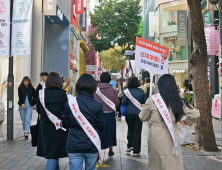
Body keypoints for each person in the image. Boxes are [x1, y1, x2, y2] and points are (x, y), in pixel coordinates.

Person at [139, 74, 200, 170]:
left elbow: (143, 117)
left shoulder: (153, 100)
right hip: (173, 133)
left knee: (157, 163)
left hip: (156, 134)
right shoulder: (178, 100)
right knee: (172, 162)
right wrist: (185, 122)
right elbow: (196, 114)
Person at [62, 73, 106, 170]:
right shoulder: (97, 105)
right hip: (91, 143)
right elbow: (102, 125)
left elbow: (65, 123)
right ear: (93, 87)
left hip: (74, 144)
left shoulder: (70, 103)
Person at [36, 72, 68, 170]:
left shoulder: (41, 93)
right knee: (53, 153)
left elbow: (38, 110)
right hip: (58, 126)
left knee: (51, 151)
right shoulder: (62, 94)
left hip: (44, 126)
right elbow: (66, 110)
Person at [94, 72, 119, 156]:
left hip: (97, 114)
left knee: (98, 133)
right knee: (110, 132)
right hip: (109, 114)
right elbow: (117, 102)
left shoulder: (95, 90)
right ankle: (110, 149)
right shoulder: (113, 90)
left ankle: (97, 152)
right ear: (109, 80)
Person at [122, 76, 147, 156]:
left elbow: (124, 102)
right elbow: (145, 101)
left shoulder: (126, 91)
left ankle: (130, 145)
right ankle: (136, 150)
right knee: (137, 131)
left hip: (129, 113)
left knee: (130, 129)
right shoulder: (141, 91)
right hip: (139, 113)